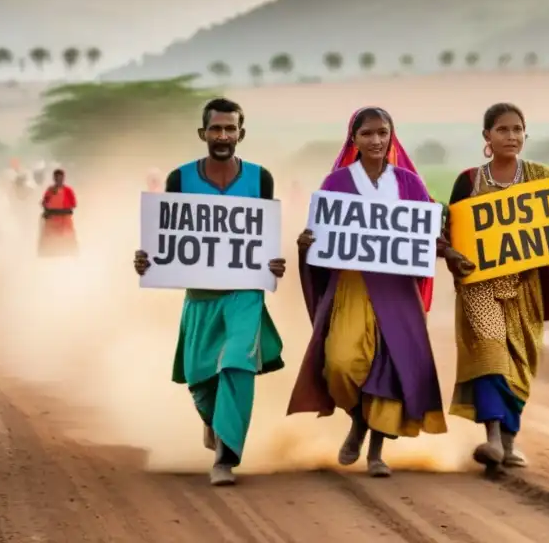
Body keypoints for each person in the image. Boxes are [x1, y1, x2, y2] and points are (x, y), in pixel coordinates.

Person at [133, 98, 286, 487]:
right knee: (201, 379)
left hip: (245, 294)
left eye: (230, 129)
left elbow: (264, 237)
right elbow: (165, 237)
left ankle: (225, 458)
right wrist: (147, 259)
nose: (223, 136)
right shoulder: (179, 179)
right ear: (203, 134)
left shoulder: (260, 178)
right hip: (200, 297)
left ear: (241, 134)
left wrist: (274, 263)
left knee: (237, 364)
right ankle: (212, 421)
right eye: (215, 129)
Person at [287, 106, 448, 478]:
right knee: (340, 365)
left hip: (396, 292)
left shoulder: (409, 183)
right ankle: (358, 420)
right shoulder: (336, 184)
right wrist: (306, 244)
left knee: (389, 369)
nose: (376, 141)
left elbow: (426, 236)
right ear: (354, 140)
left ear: (392, 136)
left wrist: (444, 248)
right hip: (352, 287)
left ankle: (376, 451)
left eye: (383, 133)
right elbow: (320, 238)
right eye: (368, 134)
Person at [443, 103, 549, 469]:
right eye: (503, 130)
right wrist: (456, 258)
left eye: (518, 129)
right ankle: (491, 438)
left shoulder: (543, 178)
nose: (511, 136)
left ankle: (508, 441)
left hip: (525, 286)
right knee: (491, 356)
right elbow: (452, 236)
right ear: (487, 137)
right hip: (479, 287)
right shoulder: (469, 180)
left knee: (521, 363)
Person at [38, 167, 78, 256]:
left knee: (69, 238)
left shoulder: (68, 190)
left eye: (61, 177)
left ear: (63, 178)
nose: (59, 179)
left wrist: (64, 211)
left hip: (65, 221)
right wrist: (47, 210)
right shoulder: (50, 190)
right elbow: (44, 202)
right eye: (57, 177)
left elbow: (74, 204)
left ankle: (73, 254)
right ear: (54, 178)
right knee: (48, 239)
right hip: (52, 221)